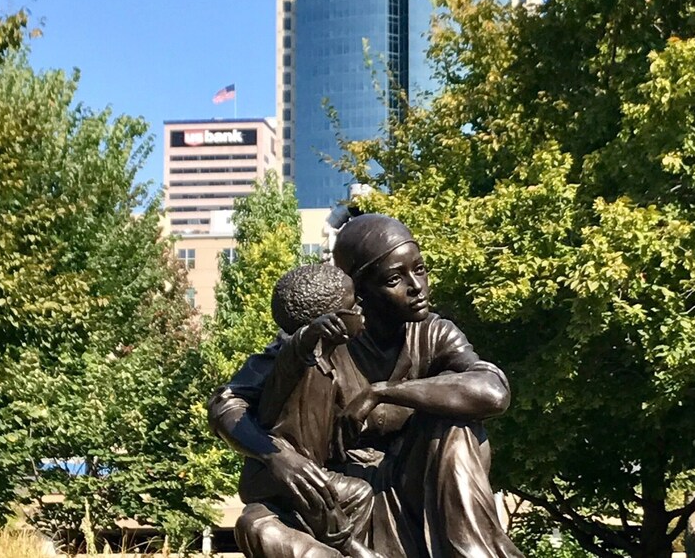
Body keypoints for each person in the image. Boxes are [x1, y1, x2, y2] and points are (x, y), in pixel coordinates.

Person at [209, 214, 523, 558]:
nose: (417, 286)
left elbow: (492, 392)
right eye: (394, 278)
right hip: (335, 499)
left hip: (414, 490)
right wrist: (277, 457)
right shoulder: (319, 338)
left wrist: (380, 391)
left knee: (455, 424)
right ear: (359, 291)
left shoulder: (434, 333)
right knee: (258, 526)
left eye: (419, 269)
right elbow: (228, 403)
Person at [245, 264, 379, 558]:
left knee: (359, 492)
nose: (360, 309)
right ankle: (349, 546)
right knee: (335, 491)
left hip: (309, 472)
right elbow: (294, 354)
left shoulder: (330, 365)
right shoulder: (296, 361)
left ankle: (345, 548)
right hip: (272, 474)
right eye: (353, 305)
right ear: (333, 320)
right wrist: (310, 334)